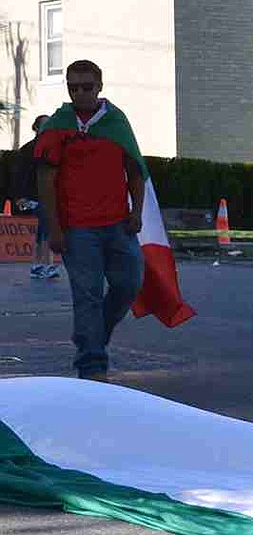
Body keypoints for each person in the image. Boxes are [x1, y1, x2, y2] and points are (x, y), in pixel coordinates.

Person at [34, 61, 146, 381]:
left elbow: (135, 170)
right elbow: (46, 180)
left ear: (100, 86)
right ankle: (92, 365)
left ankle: (95, 333)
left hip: (118, 224)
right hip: (77, 228)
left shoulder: (116, 122)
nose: (80, 93)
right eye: (73, 87)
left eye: (86, 87)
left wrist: (136, 212)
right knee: (87, 294)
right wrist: (54, 229)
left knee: (129, 283)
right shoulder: (57, 126)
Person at [11, 114, 59, 279]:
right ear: (36, 128)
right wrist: (20, 196)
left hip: (48, 194)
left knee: (43, 228)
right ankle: (47, 264)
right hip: (34, 195)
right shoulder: (28, 149)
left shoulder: (53, 148)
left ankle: (38, 264)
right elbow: (20, 175)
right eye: (44, 125)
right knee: (46, 227)